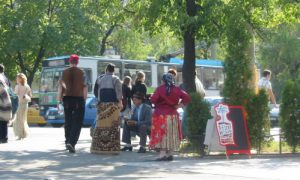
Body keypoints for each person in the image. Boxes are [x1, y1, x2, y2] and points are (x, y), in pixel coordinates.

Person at [150, 73, 190, 161]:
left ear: (163, 81)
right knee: (172, 134)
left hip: (160, 115)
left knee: (161, 134)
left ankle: (162, 154)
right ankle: (170, 154)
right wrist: (179, 105)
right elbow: (187, 97)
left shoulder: (160, 89)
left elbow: (153, 99)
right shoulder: (177, 89)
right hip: (173, 115)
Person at [57, 54, 87, 153]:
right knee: (77, 122)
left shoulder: (64, 72)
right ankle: (72, 142)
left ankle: (67, 141)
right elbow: (85, 87)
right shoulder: (82, 72)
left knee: (68, 121)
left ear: (70, 62)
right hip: (78, 99)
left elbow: (61, 87)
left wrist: (59, 100)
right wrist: (84, 99)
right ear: (77, 62)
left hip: (67, 98)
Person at [91, 63, 123, 154]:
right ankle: (112, 148)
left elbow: (95, 92)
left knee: (100, 126)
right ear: (114, 70)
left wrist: (99, 99)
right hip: (113, 107)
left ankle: (97, 148)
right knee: (113, 127)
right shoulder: (116, 79)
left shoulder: (100, 78)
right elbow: (119, 93)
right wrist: (120, 102)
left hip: (101, 106)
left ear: (106, 69)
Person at [13, 73, 31, 140]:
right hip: (25, 104)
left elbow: (15, 96)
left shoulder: (17, 86)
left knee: (18, 120)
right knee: (24, 119)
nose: (16, 79)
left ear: (20, 79)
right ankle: (24, 134)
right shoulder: (27, 86)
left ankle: (20, 135)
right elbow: (30, 95)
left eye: (17, 78)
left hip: (19, 104)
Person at [0, 77, 12, 144]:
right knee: (3, 122)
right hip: (5, 105)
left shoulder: (1, 86)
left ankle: (4, 138)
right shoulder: (3, 85)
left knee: (3, 122)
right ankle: (3, 138)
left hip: (4, 105)